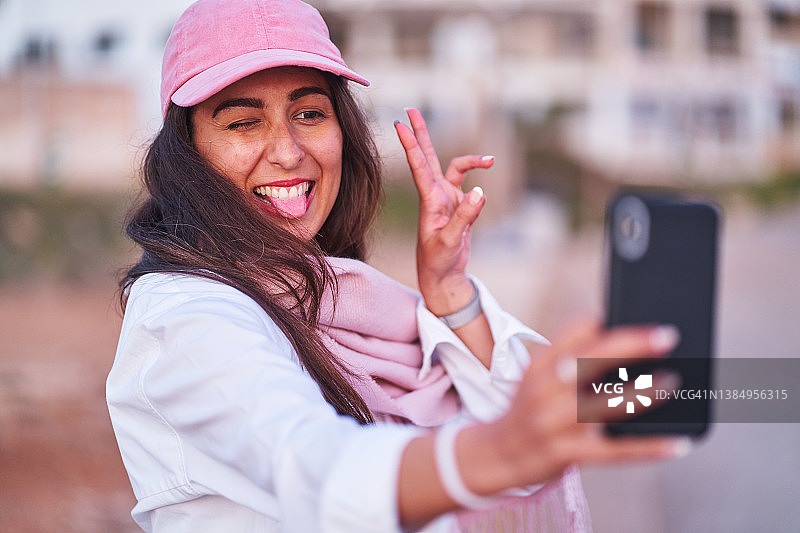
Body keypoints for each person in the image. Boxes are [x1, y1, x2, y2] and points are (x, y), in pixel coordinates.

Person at [106, 0, 689, 531]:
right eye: (241, 122)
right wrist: (500, 450)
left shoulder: (343, 301)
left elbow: (527, 426)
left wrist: (449, 292)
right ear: (187, 156)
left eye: (309, 114)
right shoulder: (186, 318)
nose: (288, 151)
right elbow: (312, 464)